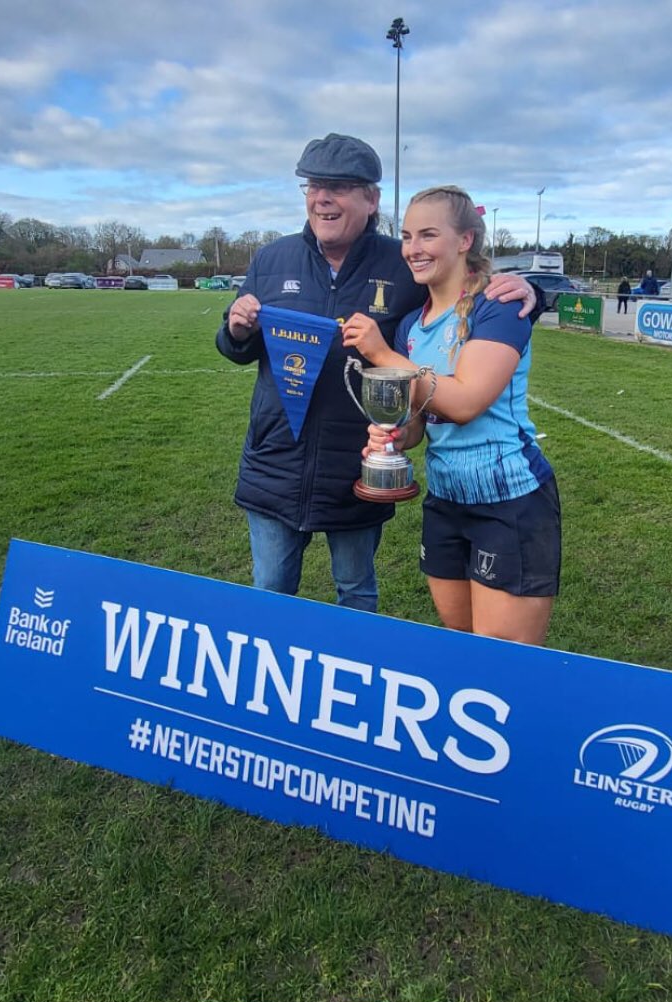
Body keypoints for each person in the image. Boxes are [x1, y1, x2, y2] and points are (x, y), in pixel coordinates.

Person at [215, 134, 541, 612]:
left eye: (339, 186)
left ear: (371, 199)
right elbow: (238, 349)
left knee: (357, 594)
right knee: (270, 596)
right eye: (312, 185)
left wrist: (528, 289)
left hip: (360, 466)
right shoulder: (271, 258)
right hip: (274, 465)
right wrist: (236, 330)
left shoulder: (402, 260)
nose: (322, 197)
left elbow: (462, 293)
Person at [341, 185, 560, 645]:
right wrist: (397, 439)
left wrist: (381, 354)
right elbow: (424, 418)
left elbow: (464, 403)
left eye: (427, 235)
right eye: (405, 237)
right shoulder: (409, 324)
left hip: (509, 501)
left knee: (502, 661)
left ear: (464, 241)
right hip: (445, 501)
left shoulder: (498, 306)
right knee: (463, 644)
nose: (413, 249)